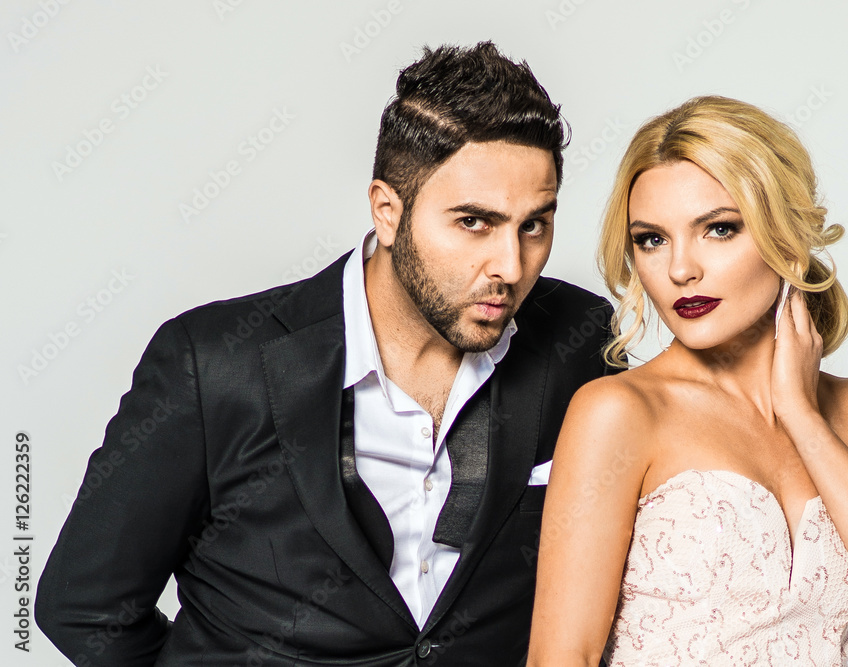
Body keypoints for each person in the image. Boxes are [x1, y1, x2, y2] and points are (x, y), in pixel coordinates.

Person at [36, 42, 614, 666]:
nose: (509, 265)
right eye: (474, 222)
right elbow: (85, 607)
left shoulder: (579, 343)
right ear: (388, 212)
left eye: (535, 224)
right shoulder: (214, 365)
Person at [526, 96, 848, 666]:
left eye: (719, 229)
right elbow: (562, 657)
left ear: (784, 235)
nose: (681, 269)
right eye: (651, 239)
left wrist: (803, 417)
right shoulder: (620, 412)